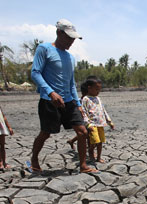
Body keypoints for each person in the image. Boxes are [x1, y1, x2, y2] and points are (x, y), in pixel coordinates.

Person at [28, 19, 96, 173]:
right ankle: (34, 159)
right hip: (49, 101)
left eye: (73, 38)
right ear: (58, 33)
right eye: (69, 37)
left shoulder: (70, 57)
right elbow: (35, 72)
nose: (71, 41)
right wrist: (51, 92)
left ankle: (83, 165)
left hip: (69, 101)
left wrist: (77, 103)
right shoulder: (44, 49)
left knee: (82, 131)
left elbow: (71, 82)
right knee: (46, 133)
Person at [81, 76, 115, 164]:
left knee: (100, 142)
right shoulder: (85, 99)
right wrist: (88, 124)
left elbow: (103, 110)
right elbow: (83, 112)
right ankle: (91, 155)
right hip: (92, 124)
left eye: (99, 89)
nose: (98, 92)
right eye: (96, 89)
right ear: (89, 88)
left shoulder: (98, 99)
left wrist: (109, 121)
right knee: (94, 142)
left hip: (101, 124)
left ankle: (99, 157)